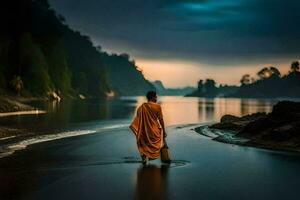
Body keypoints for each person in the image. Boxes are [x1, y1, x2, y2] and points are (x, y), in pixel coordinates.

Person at [130, 91, 167, 164]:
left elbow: (138, 121)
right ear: (152, 97)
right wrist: (164, 130)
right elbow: (161, 120)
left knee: (143, 143)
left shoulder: (141, 107)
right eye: (156, 97)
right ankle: (151, 155)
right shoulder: (157, 106)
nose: (156, 98)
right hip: (154, 132)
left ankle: (144, 158)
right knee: (156, 144)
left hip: (144, 131)